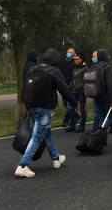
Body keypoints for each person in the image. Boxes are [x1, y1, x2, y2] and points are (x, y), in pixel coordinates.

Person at [15, 48, 77, 178]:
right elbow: (64, 89)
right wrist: (75, 103)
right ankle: (23, 165)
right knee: (37, 136)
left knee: (46, 132)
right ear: (55, 59)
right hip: (45, 108)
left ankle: (56, 158)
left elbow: (25, 89)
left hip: (33, 107)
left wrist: (26, 105)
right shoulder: (54, 71)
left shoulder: (33, 69)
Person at [91, 49, 112, 131]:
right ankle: (101, 131)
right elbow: (110, 85)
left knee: (101, 115)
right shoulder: (108, 67)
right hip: (106, 95)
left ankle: (100, 137)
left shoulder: (95, 66)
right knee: (110, 117)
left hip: (96, 94)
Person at [66, 52, 87, 133]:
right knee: (71, 108)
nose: (76, 61)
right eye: (75, 59)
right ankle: (72, 125)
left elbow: (85, 81)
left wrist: (79, 87)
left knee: (82, 109)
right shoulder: (74, 68)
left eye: (77, 59)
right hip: (74, 91)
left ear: (81, 60)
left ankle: (82, 126)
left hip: (81, 92)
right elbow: (72, 80)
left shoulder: (85, 68)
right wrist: (69, 87)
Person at [61, 48, 76, 127]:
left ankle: (66, 120)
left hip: (70, 86)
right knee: (65, 104)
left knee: (69, 105)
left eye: (69, 52)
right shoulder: (65, 62)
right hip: (64, 85)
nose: (68, 54)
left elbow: (73, 76)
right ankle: (76, 116)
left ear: (73, 54)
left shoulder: (74, 63)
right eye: (67, 52)